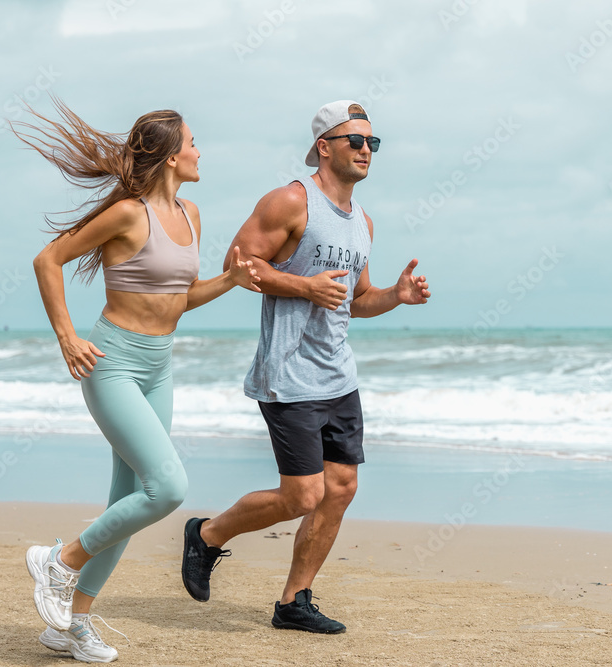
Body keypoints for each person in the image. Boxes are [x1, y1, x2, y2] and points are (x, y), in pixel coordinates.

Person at [15, 100, 260, 662]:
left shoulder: (191, 214)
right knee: (167, 488)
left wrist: (229, 281)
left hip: (158, 365)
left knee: (128, 501)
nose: (201, 152)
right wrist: (67, 336)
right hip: (114, 364)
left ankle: (71, 625)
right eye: (194, 143)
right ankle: (60, 560)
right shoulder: (127, 214)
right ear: (172, 156)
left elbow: (176, 300)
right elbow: (47, 260)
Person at [180, 100, 430, 634]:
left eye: (373, 143)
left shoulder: (362, 222)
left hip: (339, 376)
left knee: (340, 489)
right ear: (325, 146)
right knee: (303, 495)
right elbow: (238, 265)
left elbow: (354, 301)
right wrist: (303, 286)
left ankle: (294, 600)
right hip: (288, 374)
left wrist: (395, 295)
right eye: (356, 141)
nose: (367, 150)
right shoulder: (291, 201)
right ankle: (206, 535)